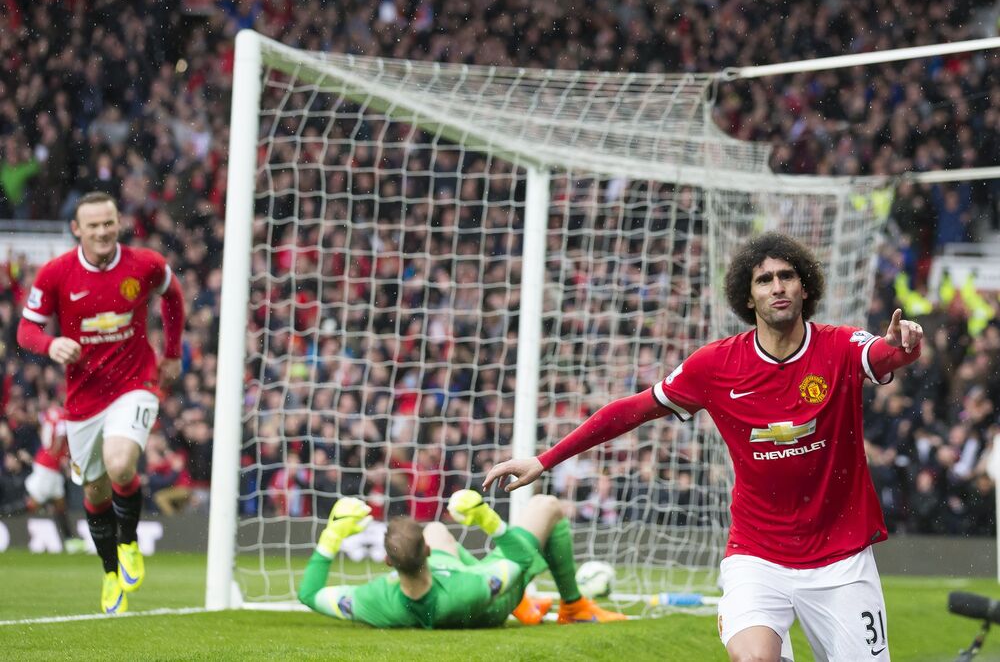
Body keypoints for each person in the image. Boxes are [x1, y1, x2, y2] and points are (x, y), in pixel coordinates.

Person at [484, 232, 925, 661]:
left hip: (840, 557)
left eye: (786, 276)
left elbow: (885, 354)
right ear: (747, 297)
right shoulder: (715, 365)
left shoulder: (839, 345)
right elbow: (632, 410)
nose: (778, 286)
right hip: (758, 555)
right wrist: (545, 459)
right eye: (764, 279)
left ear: (804, 287)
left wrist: (903, 345)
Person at [16, 191, 186, 614]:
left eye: (108, 222)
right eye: (93, 225)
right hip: (84, 398)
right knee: (93, 489)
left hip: (135, 382)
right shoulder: (56, 274)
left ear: (118, 222)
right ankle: (111, 572)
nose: (102, 231)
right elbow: (26, 330)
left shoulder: (143, 264)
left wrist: (173, 353)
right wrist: (50, 344)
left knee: (120, 463)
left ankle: (129, 543)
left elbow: (174, 295)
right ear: (77, 229)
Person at [298, 490, 626, 628]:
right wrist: (488, 520)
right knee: (546, 505)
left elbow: (309, 594)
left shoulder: (376, 599)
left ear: (388, 562)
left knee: (439, 527)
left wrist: (332, 538)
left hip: (449, 578)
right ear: (425, 551)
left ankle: (538, 602)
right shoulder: (469, 588)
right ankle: (573, 606)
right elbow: (522, 559)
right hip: (496, 595)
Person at [0, 403, 87, 553]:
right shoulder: (62, 417)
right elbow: (59, 438)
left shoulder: (52, 413)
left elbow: (39, 424)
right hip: (49, 468)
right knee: (32, 505)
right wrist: (60, 455)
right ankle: (2, 514)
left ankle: (69, 540)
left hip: (46, 464)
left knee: (60, 505)